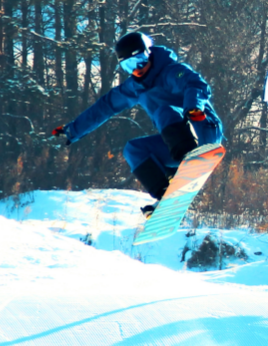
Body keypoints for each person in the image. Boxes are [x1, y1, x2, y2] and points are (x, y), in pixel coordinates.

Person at [52, 31, 223, 218]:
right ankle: (167, 196)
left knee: (164, 111)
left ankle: (189, 158)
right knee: (132, 149)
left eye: (140, 60)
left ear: (149, 53)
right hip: (176, 143)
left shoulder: (171, 71)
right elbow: (105, 106)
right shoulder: (134, 87)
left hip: (202, 128)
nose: (137, 69)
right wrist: (72, 130)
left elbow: (196, 84)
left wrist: (193, 108)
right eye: (129, 66)